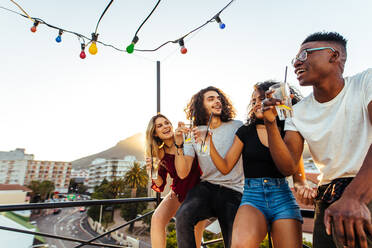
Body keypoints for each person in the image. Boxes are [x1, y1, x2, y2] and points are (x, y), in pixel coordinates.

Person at [263, 31, 372, 248]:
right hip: (328, 198)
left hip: (365, 187)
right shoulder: (298, 111)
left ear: (334, 56)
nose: (296, 63)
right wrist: (270, 125)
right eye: (295, 58)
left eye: (304, 55)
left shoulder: (365, 82)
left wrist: (355, 197)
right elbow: (288, 166)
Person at [208, 81, 305, 248]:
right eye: (253, 102)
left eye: (260, 99)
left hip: (283, 197)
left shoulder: (289, 128)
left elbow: (296, 170)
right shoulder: (245, 132)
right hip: (253, 197)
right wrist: (208, 142)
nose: (256, 104)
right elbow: (225, 167)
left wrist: (301, 185)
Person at [174, 86, 244, 248]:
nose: (217, 101)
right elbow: (183, 172)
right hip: (206, 188)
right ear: (201, 105)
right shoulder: (194, 132)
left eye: (219, 98)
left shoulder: (236, 126)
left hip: (233, 190)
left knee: (233, 240)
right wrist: (179, 144)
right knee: (183, 217)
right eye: (211, 99)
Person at [145, 114, 207, 248]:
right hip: (178, 192)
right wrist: (152, 171)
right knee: (157, 220)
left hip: (199, 192)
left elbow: (203, 154)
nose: (165, 127)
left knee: (194, 240)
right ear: (155, 133)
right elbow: (160, 184)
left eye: (167, 123)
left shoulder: (186, 137)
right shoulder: (159, 153)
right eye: (159, 126)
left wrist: (195, 136)